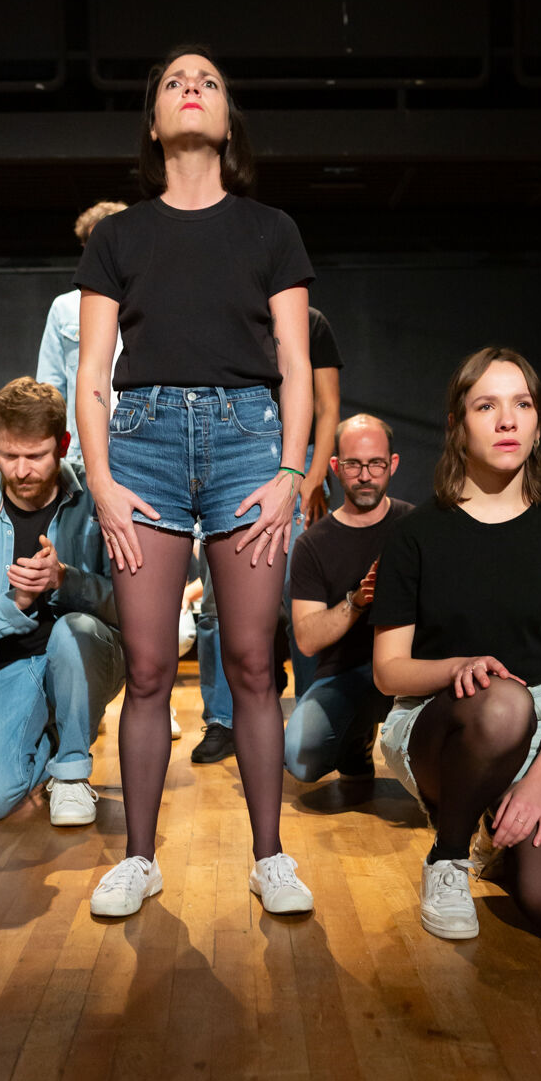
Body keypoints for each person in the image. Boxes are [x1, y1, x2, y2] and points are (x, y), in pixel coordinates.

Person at [75, 44, 316, 918]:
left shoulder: (271, 229)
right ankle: (139, 858)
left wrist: (291, 470)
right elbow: (91, 373)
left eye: (208, 81)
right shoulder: (118, 236)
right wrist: (101, 481)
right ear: (153, 123)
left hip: (249, 441)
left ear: (226, 120)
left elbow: (296, 363)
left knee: (252, 660)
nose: (191, 88)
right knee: (147, 667)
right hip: (142, 444)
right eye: (174, 81)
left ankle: (270, 856)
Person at [372, 347, 541, 943]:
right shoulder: (415, 535)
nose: (507, 421)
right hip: (439, 724)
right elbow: (388, 672)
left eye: (521, 405)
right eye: (486, 406)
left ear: (538, 422)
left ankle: (493, 839)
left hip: (540, 727)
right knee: (504, 702)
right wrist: (459, 665)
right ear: (457, 425)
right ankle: (448, 856)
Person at [0, 378, 126, 825]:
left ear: (62, 445)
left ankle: (73, 772)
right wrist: (15, 602)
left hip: (91, 654)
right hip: (10, 664)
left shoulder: (98, 498)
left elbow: (130, 607)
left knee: (71, 631)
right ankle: (56, 738)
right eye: (8, 456)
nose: (21, 471)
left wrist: (65, 580)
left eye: (35, 456)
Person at [192, 305, 343, 763]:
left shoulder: (310, 321)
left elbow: (327, 406)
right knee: (217, 600)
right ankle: (222, 719)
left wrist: (312, 476)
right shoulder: (223, 312)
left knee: (301, 595)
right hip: (234, 456)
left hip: (297, 459)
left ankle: (310, 714)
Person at [284, 414, 412, 783]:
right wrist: (359, 598)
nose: (365, 475)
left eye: (376, 464)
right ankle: (356, 737)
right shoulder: (313, 544)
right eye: (354, 464)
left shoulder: (416, 526)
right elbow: (306, 639)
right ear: (335, 466)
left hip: (412, 669)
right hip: (347, 676)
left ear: (392, 464)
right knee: (300, 756)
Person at [36, 200, 128, 467]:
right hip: (80, 452)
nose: (106, 250)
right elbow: (50, 390)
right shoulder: (65, 307)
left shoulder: (152, 301)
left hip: (141, 446)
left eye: (115, 240)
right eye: (96, 242)